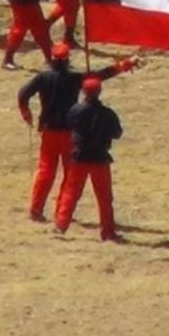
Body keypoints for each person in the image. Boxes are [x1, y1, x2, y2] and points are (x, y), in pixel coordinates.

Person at [17, 45, 130, 222]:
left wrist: (26, 112)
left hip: (49, 130)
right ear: (68, 60)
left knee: (46, 170)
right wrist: (123, 65)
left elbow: (23, 94)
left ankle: (36, 208)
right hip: (70, 132)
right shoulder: (74, 78)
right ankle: (60, 211)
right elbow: (99, 76)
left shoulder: (43, 77)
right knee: (69, 174)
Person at [54, 76, 125, 241]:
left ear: (84, 91)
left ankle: (61, 225)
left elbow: (70, 124)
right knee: (104, 197)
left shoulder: (75, 111)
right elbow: (117, 133)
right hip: (100, 157)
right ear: (99, 91)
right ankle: (107, 231)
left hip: (80, 156)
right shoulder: (108, 114)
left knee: (71, 192)